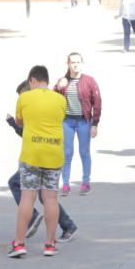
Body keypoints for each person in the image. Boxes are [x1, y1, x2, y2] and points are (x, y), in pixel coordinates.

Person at [9, 66, 66, 258]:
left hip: (32, 155)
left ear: (32, 80)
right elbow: (60, 118)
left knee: (27, 197)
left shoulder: (24, 97)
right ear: (46, 80)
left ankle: (19, 244)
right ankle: (49, 244)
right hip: (54, 153)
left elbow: (19, 121)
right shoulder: (60, 99)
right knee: (50, 198)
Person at [53, 53, 100, 197]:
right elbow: (52, 99)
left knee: (84, 152)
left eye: (78, 62)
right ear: (67, 64)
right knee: (66, 153)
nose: (75, 65)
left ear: (82, 63)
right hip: (67, 121)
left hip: (84, 121)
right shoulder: (63, 81)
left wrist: (95, 124)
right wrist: (57, 87)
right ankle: (65, 184)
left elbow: (97, 102)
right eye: (72, 62)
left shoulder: (89, 81)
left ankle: (85, 182)